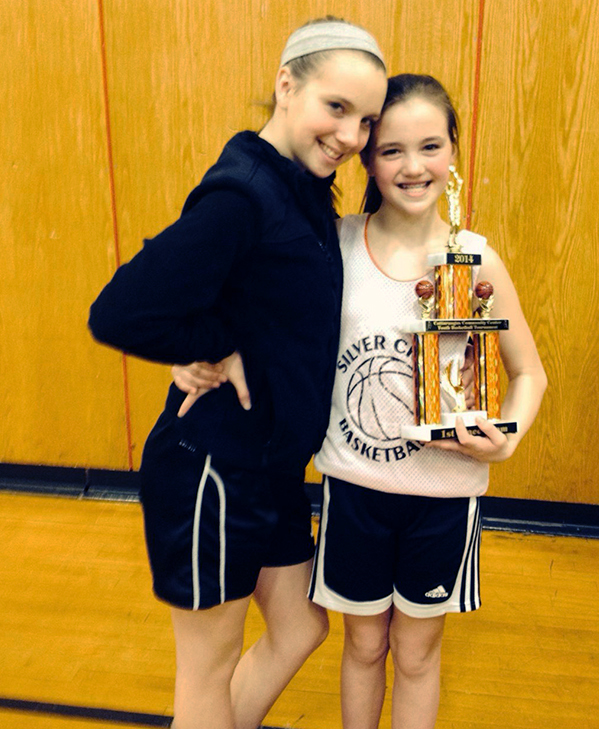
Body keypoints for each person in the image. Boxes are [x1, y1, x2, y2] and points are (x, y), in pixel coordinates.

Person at [176, 73, 547, 729]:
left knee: (416, 651)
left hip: (444, 497)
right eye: (393, 149)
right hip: (354, 490)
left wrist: (508, 433)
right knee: (364, 643)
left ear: (454, 150)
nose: (413, 166)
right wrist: (202, 342)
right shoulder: (334, 246)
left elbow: (530, 373)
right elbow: (250, 305)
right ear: (368, 157)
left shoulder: (473, 259)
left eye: (430, 145)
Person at [86, 18, 387, 729]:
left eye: (366, 120)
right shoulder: (241, 196)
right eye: (336, 108)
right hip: (210, 470)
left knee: (301, 626)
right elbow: (119, 310)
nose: (351, 136)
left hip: (271, 465)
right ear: (287, 85)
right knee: (208, 668)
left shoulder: (303, 189)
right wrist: (219, 345)